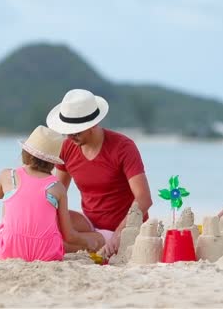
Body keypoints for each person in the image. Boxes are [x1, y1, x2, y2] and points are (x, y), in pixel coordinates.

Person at [46, 89, 153, 258]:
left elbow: (144, 199)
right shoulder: (67, 147)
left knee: (59, 244)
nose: (70, 136)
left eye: (76, 131)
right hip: (90, 224)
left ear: (93, 125)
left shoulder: (123, 147)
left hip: (123, 228)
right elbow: (56, 193)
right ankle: (91, 241)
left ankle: (98, 241)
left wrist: (118, 235)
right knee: (51, 221)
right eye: (67, 131)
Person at [0, 125, 96, 261]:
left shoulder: (7, 175)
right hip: (46, 253)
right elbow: (69, 235)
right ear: (52, 162)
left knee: (8, 204)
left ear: (25, 152)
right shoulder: (57, 187)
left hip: (9, 250)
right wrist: (88, 243)